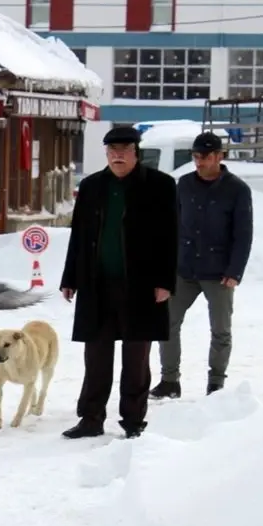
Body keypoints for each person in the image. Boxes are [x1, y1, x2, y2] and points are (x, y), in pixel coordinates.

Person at [59, 125, 178, 439]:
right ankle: (91, 418)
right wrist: (70, 278)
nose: (117, 157)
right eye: (112, 152)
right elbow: (79, 236)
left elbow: (170, 237)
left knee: (136, 358)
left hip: (141, 285)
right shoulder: (92, 186)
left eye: (124, 151)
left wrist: (165, 281)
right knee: (96, 356)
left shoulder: (160, 186)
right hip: (97, 284)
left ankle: (133, 421)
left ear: (136, 153)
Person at [151, 131, 253, 399]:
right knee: (167, 323)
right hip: (184, 269)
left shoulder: (237, 190)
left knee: (220, 330)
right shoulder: (183, 184)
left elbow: (243, 235)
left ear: (219, 156)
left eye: (205, 156)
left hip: (219, 273)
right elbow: (171, 226)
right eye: (196, 156)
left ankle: (216, 384)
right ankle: (169, 381)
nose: (200, 162)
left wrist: (234, 271)